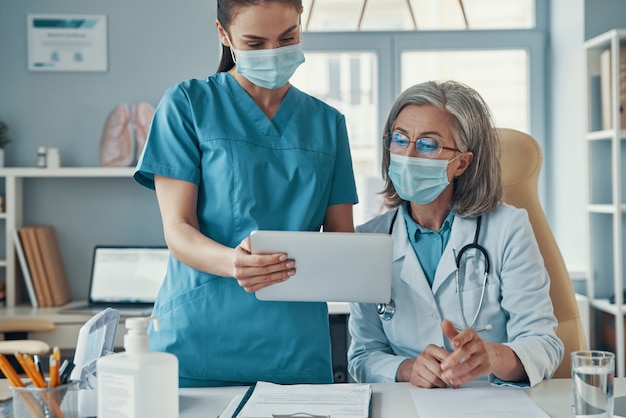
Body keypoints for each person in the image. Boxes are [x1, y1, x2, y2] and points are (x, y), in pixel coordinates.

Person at [133, 0, 357, 387]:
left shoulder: (327, 123)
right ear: (224, 35)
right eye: (255, 43)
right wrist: (234, 263)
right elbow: (178, 229)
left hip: (296, 351)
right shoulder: (186, 105)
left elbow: (341, 240)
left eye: (287, 39)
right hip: (197, 344)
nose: (273, 54)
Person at [347, 80, 563, 388]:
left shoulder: (507, 228)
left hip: (489, 403)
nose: (408, 155)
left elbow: (544, 344)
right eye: (399, 139)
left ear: (461, 163)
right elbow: (362, 356)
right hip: (409, 403)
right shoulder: (369, 240)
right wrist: (408, 369)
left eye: (427, 144)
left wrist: (494, 356)